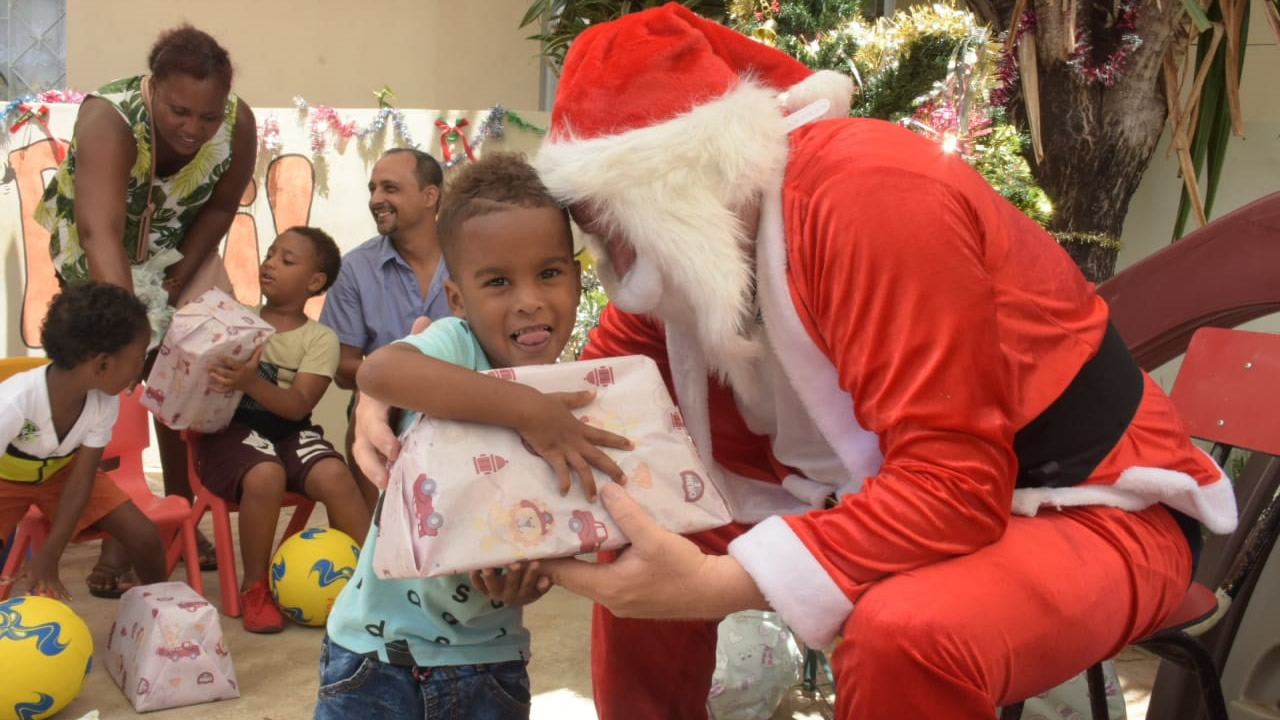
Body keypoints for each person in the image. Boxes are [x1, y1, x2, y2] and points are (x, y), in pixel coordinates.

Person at [354, 6, 1237, 719]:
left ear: (671, 181)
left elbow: (955, 483)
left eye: (599, 212)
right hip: (878, 498)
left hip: (1081, 505)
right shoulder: (691, 255)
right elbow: (586, 415)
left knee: (905, 634)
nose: (599, 246)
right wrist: (520, 527)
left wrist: (713, 584)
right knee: (636, 539)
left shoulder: (872, 196)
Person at [317, 153, 629, 720]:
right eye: (499, 282)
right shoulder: (456, 344)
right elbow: (380, 373)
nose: (530, 299)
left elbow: (547, 530)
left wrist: (529, 582)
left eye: (550, 273)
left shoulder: (571, 394)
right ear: (458, 299)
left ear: (579, 280)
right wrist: (527, 410)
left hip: (491, 661)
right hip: (376, 655)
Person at [36, 24, 257, 597]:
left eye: (207, 117)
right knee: (108, 382)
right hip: (94, 254)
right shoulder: (110, 116)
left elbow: (222, 206)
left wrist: (179, 280)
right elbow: (99, 230)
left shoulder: (238, 123)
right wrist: (131, 330)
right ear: (153, 86)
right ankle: (115, 524)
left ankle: (175, 518)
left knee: (182, 382)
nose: (194, 128)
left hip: (176, 252)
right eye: (181, 111)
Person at [200, 227, 371, 633]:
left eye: (287, 260)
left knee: (335, 474)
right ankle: (255, 586)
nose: (270, 263)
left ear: (314, 282)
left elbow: (298, 405)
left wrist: (250, 381)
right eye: (271, 254)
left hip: (289, 429)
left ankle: (372, 581)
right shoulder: (235, 320)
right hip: (229, 433)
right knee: (266, 472)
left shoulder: (321, 339)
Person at [0, 283, 166, 600]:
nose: (141, 366)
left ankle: (161, 616)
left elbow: (82, 480)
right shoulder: (12, 403)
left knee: (145, 537)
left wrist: (51, 553)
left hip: (64, 475)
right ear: (103, 365)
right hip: (4, 479)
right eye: (139, 356)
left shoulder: (104, 400)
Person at [319, 149, 449, 510]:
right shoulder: (355, 269)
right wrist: (401, 378)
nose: (376, 199)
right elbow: (343, 369)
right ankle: (373, 541)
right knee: (366, 405)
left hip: (464, 399)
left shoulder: (472, 259)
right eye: (373, 189)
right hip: (384, 403)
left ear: (430, 195)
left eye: (390, 188)